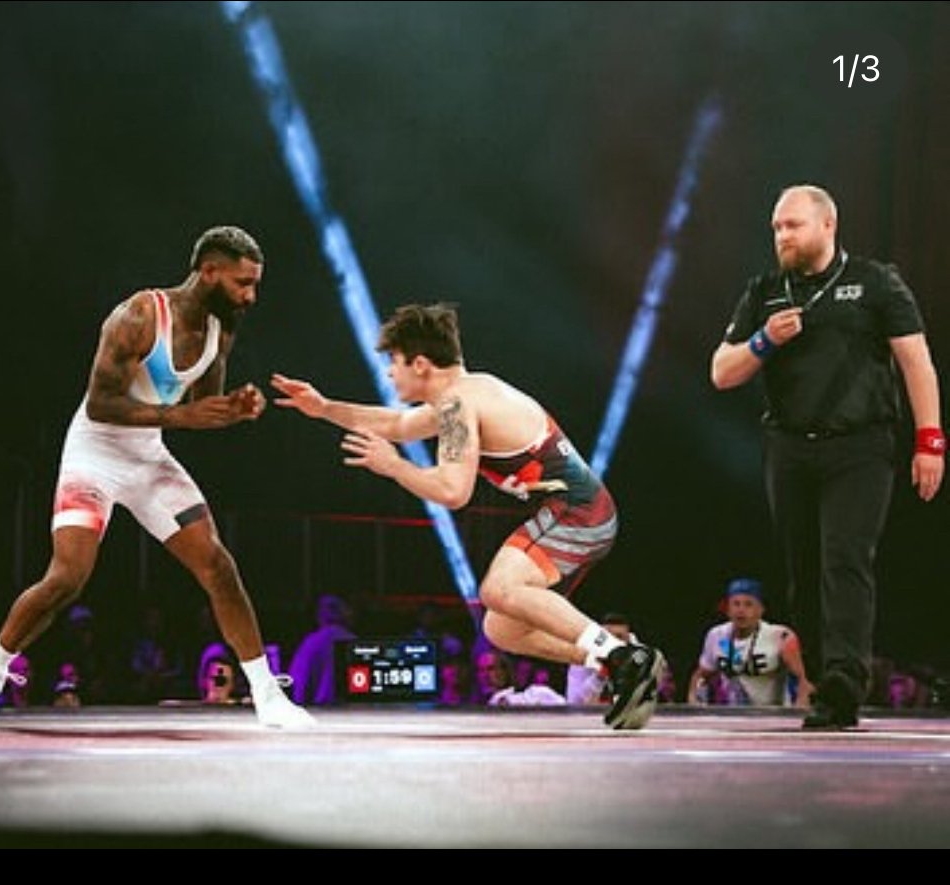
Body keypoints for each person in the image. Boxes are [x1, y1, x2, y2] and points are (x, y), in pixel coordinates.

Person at [0, 225, 314, 730]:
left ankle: (266, 695)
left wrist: (233, 409)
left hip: (147, 455)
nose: (250, 296)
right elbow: (102, 405)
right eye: (241, 283)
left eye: (254, 284)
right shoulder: (140, 316)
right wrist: (183, 419)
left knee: (218, 565)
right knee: (67, 579)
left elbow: (197, 407)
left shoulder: (222, 326)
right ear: (208, 271)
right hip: (94, 452)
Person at [271, 302, 666, 730]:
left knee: (499, 588)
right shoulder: (467, 393)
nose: (389, 374)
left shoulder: (459, 404)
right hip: (580, 511)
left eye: (393, 363)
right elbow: (399, 425)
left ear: (420, 364)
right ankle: (611, 660)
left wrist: (394, 466)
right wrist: (324, 407)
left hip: (578, 512)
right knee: (502, 629)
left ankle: (624, 657)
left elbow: (453, 492)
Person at [710, 184, 944, 730]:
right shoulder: (765, 290)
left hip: (861, 446)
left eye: (792, 225)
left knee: (845, 558)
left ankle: (843, 682)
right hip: (790, 447)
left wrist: (929, 439)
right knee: (803, 568)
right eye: (776, 228)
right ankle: (821, 678)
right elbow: (721, 371)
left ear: (827, 224)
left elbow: (917, 362)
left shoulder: (874, 282)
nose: (782, 236)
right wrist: (763, 342)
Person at [686, 578, 814, 708]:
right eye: (736, 604)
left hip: (772, 715)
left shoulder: (781, 636)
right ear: (728, 609)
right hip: (730, 715)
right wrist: (694, 701)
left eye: (748, 604)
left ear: (761, 610)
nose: (741, 610)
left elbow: (801, 681)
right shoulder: (716, 635)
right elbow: (701, 676)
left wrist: (799, 714)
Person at [287, 594, 357, 705]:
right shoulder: (354, 643)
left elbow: (297, 687)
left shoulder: (311, 642)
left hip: (321, 715)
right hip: (352, 715)